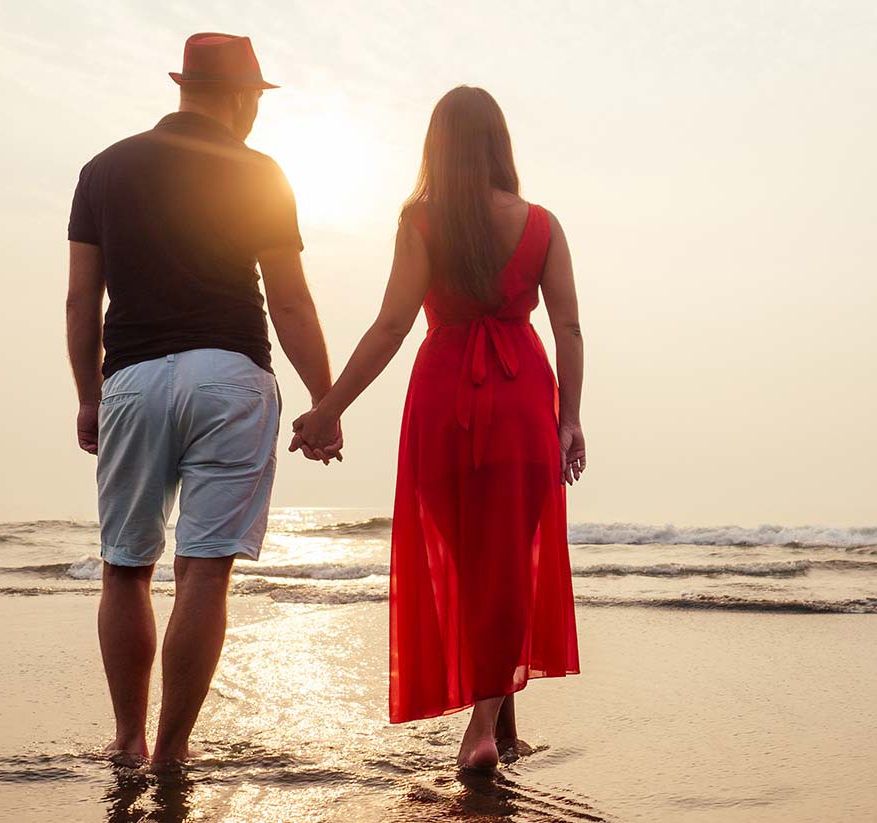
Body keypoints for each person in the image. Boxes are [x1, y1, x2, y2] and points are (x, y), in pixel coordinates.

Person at [64, 32, 340, 769]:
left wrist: (89, 396)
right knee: (204, 568)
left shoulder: (103, 170)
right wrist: (326, 399)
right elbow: (290, 300)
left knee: (125, 565)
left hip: (132, 377)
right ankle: (172, 751)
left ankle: (127, 737)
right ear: (239, 97)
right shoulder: (258, 171)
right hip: (230, 374)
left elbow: (79, 301)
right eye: (255, 100)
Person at [291, 86, 585, 771]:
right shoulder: (541, 224)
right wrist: (569, 415)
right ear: (499, 143)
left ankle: (496, 729)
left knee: (474, 565)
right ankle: (488, 729)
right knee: (511, 559)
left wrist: (332, 405)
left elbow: (392, 326)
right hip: (521, 400)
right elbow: (567, 324)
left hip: (443, 399)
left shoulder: (420, 221)